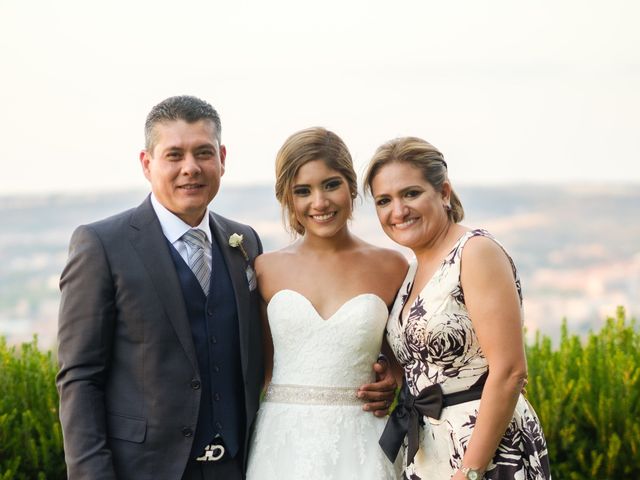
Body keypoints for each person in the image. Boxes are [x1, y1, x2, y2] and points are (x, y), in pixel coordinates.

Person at [56, 97, 394, 480]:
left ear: (221, 158)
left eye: (203, 153)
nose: (191, 168)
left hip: (239, 465)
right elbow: (80, 377)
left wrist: (386, 373)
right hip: (145, 469)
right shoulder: (102, 245)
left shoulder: (244, 243)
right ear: (147, 164)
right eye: (174, 155)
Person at [365, 137, 551, 480]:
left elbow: (510, 371)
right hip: (428, 449)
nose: (398, 211)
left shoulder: (475, 252)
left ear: (444, 192)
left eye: (411, 193)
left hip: (485, 450)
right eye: (384, 201)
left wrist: (470, 470)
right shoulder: (412, 271)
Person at [245, 127, 407, 479]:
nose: (319, 203)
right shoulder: (265, 269)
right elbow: (262, 369)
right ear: (288, 199)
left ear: (350, 185)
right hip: (282, 446)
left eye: (330, 185)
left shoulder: (392, 267)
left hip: (363, 442)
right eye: (303, 191)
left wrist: (392, 380)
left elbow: (405, 360)